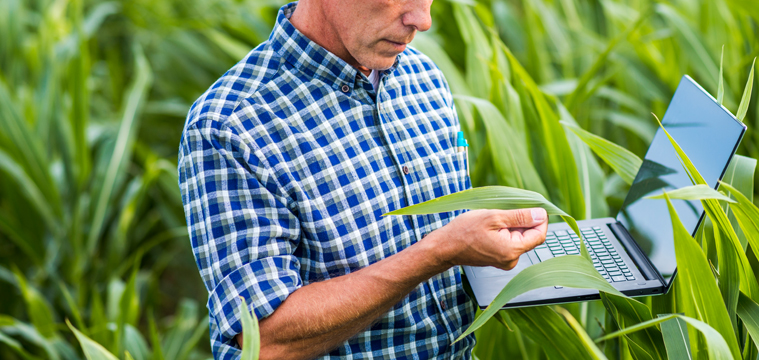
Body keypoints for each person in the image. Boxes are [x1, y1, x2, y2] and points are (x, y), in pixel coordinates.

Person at [178, 1, 548, 359]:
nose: (422, 19)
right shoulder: (229, 126)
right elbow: (266, 342)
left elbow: (453, 242)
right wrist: (437, 253)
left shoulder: (423, 77)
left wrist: (501, 247)